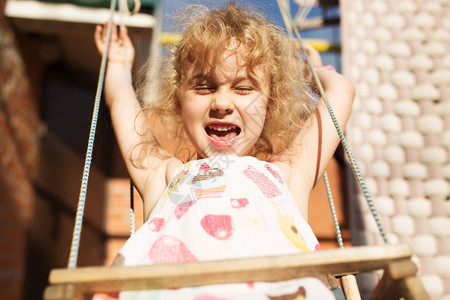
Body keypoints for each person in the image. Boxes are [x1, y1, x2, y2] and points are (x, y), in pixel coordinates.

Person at [94, 2, 354, 299]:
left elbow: (341, 92)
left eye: (243, 88)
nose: (221, 103)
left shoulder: (287, 176)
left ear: (269, 107)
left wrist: (314, 73)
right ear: (179, 105)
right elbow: (122, 103)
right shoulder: (166, 177)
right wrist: (116, 65)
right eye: (204, 87)